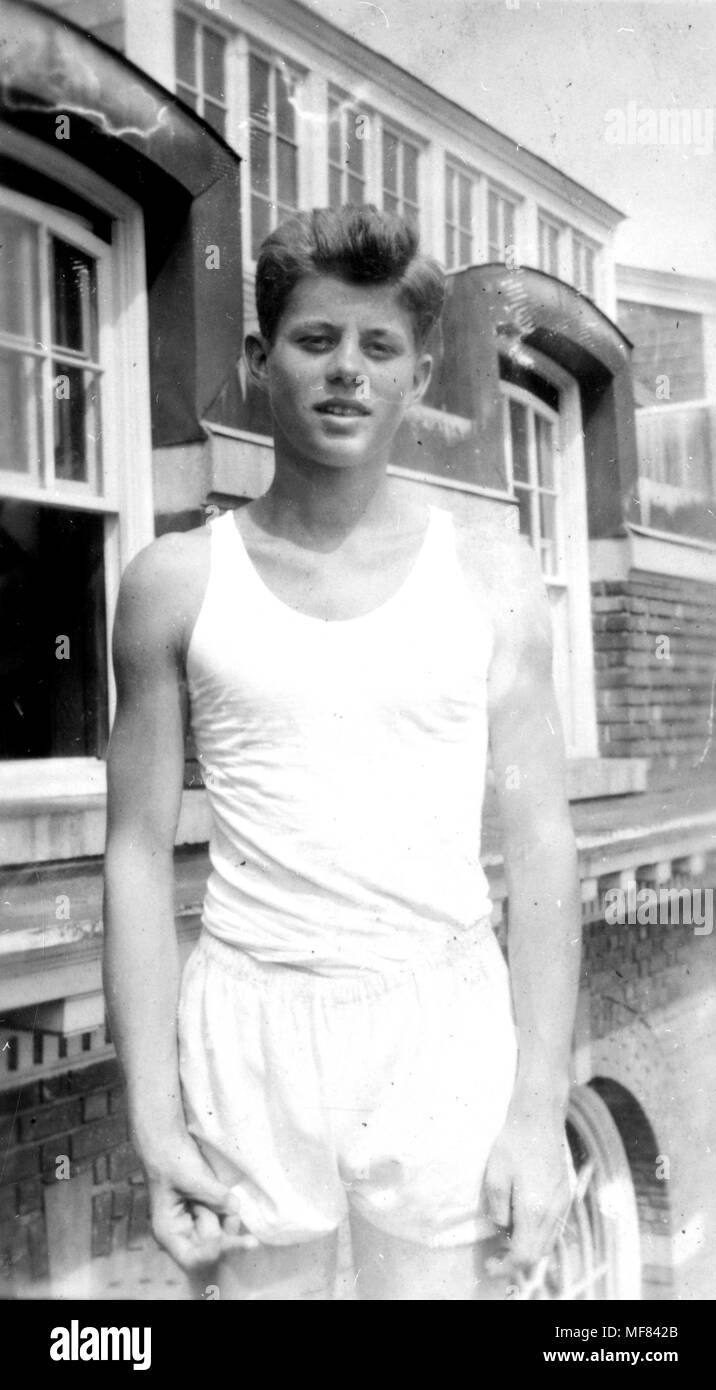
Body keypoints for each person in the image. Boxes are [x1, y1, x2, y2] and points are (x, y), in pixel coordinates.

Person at [103, 205, 580, 1301]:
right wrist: (154, 1114)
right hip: (249, 1022)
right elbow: (133, 850)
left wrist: (532, 1108)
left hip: (438, 1016)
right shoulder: (175, 582)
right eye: (316, 340)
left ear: (416, 380)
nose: (346, 373)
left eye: (378, 348)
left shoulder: (490, 577)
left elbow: (543, 843)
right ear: (258, 358)